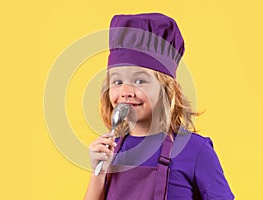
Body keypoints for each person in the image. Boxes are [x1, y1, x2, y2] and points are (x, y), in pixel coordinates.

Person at [84, 13, 234, 200]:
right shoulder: (111, 151)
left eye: (139, 80)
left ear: (166, 89)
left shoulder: (195, 150)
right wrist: (97, 174)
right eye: (117, 81)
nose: (126, 91)